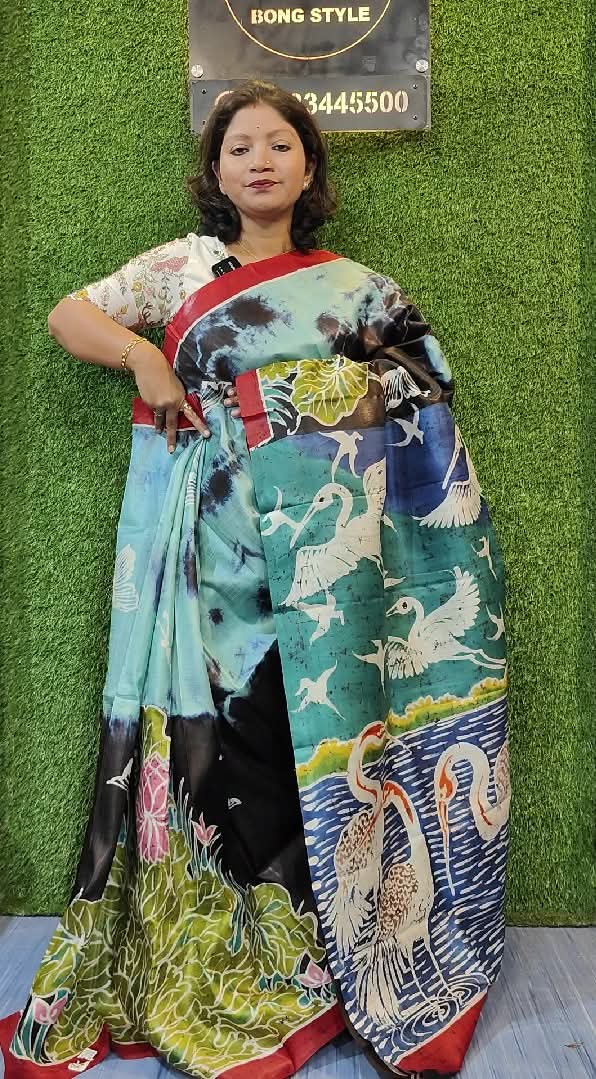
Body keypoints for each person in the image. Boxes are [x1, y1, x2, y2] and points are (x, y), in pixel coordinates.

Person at [1, 81, 510, 1079]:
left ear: (309, 167)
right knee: (220, 742)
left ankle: (329, 952)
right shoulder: (181, 267)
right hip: (207, 555)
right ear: (216, 170)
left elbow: (421, 387)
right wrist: (144, 358)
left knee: (307, 731)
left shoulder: (360, 291)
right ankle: (236, 947)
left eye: (280, 144)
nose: (260, 161)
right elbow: (69, 316)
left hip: (332, 577)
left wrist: (279, 400)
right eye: (240, 147)